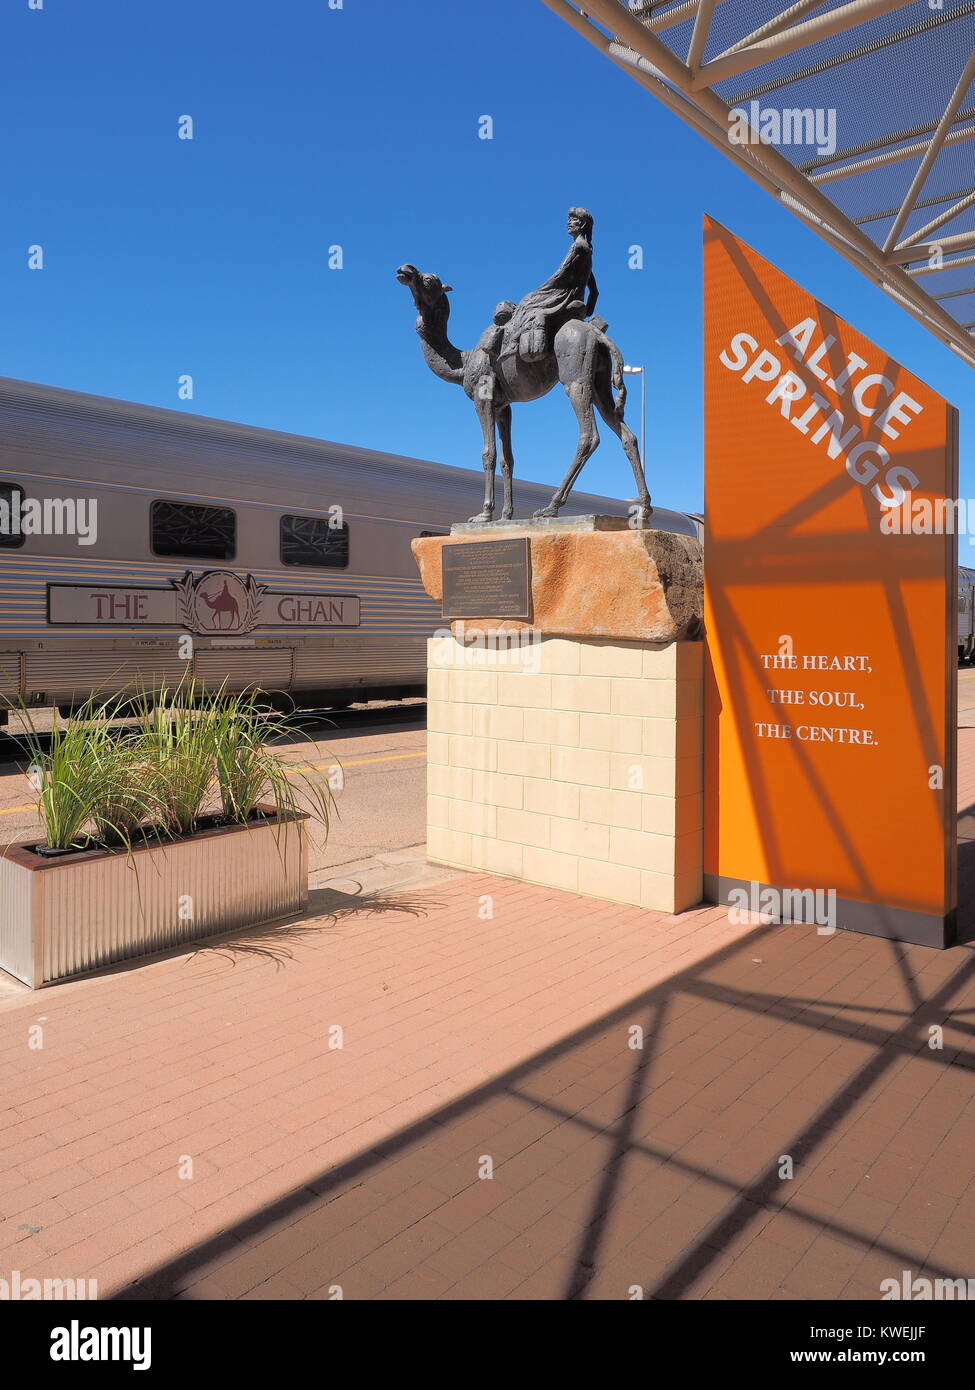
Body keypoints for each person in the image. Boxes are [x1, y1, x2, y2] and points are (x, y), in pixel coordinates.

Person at [502, 208, 599, 362]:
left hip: (565, 298)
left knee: (528, 303)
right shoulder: (587, 250)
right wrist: (587, 311)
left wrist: (538, 292)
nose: (568, 222)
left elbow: (559, 274)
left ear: (582, 224)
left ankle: (514, 342)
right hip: (577, 301)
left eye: (573, 219)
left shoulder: (577, 247)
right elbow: (594, 291)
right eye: (569, 219)